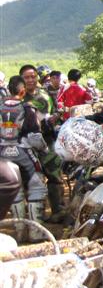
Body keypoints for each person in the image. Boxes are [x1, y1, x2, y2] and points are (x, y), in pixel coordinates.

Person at [1, 75, 48, 236]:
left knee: (15, 190)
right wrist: (44, 149)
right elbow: (35, 136)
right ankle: (36, 233)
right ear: (22, 91)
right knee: (36, 187)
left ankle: (19, 231)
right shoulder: (27, 108)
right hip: (24, 152)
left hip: (3, 155)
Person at [19, 64, 63, 221]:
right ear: (21, 79)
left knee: (55, 175)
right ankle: (36, 214)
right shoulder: (17, 97)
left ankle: (58, 211)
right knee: (29, 178)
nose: (30, 80)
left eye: (33, 76)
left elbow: (56, 111)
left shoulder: (45, 94)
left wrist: (56, 116)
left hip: (47, 141)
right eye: (26, 77)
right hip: (25, 144)